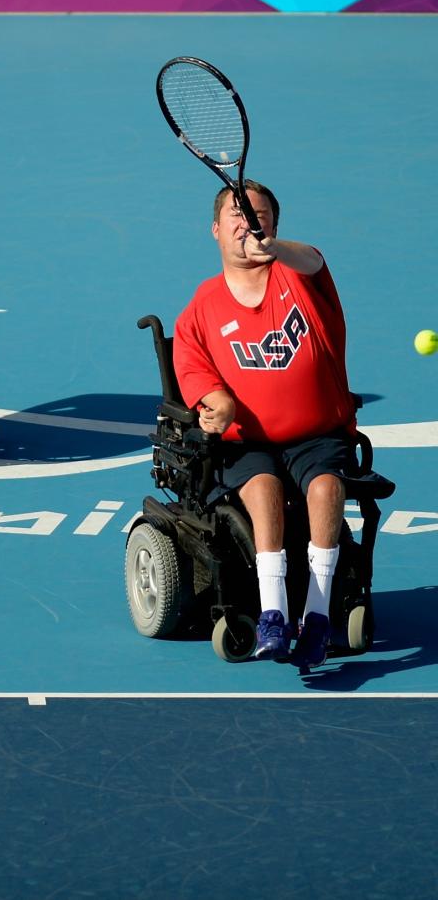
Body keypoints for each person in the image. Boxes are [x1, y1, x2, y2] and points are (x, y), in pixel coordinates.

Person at [173, 180, 358, 670]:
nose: (247, 222)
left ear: (274, 226)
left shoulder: (300, 277)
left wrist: (275, 250)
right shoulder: (203, 304)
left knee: (324, 488)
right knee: (264, 488)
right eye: (236, 214)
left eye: (259, 215)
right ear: (215, 229)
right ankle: (273, 613)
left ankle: (317, 616)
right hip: (247, 443)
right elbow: (193, 367)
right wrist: (218, 403)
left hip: (318, 432)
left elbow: (314, 259)